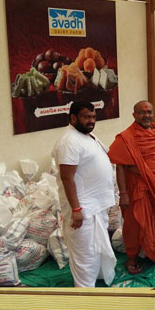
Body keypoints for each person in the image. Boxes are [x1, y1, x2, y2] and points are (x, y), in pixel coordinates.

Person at [107, 100, 155, 274]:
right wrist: (123, 193)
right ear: (134, 115)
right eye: (142, 112)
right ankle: (131, 259)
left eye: (149, 112)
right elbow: (121, 166)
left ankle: (153, 252)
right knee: (135, 223)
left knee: (154, 222)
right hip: (138, 189)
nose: (146, 115)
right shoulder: (126, 137)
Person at [54, 101, 117, 287]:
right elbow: (67, 178)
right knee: (85, 255)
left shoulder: (88, 136)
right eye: (85, 117)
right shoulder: (69, 141)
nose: (91, 121)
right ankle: (84, 298)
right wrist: (76, 209)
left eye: (93, 117)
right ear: (73, 117)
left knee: (96, 250)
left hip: (95, 207)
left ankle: (94, 285)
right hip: (82, 210)